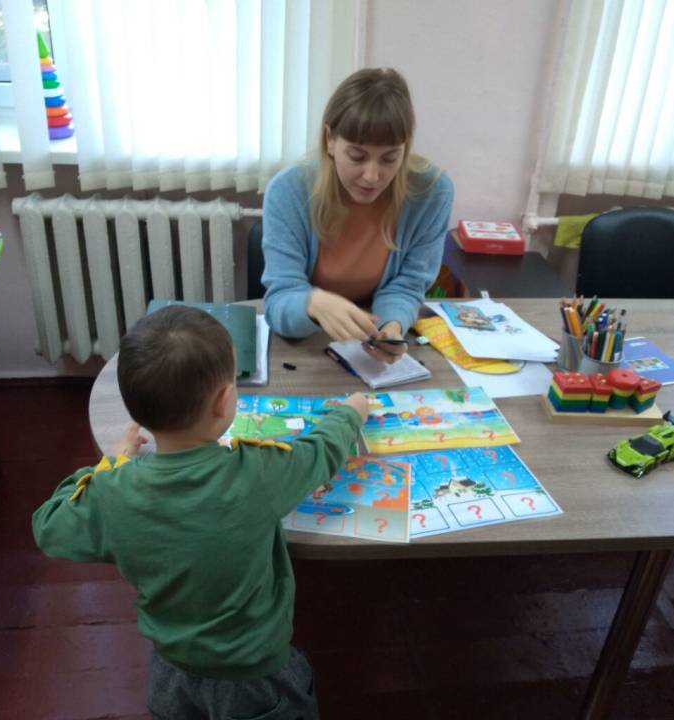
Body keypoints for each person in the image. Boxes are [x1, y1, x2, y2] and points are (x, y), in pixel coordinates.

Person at [32, 305, 369, 720]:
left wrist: (112, 464)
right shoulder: (257, 471)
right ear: (225, 401)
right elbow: (320, 451)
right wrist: (351, 412)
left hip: (171, 676)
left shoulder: (112, 491)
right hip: (258, 680)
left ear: (136, 410)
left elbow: (49, 525)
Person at [262, 67, 454, 364]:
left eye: (390, 158)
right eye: (357, 156)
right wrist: (311, 304)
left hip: (369, 345)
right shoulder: (288, 191)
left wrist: (393, 326)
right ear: (330, 139)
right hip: (306, 348)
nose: (372, 176)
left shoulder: (432, 193)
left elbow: (408, 285)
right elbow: (279, 303)